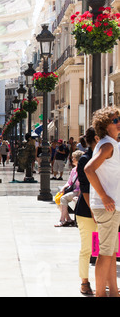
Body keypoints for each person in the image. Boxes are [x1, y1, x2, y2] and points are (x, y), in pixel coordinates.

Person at [84, 106, 120, 297]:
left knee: (111, 253)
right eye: (115, 120)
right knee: (105, 254)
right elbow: (89, 169)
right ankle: (100, 294)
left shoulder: (110, 143)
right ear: (106, 126)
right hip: (108, 207)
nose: (119, 122)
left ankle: (113, 292)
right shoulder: (107, 145)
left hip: (112, 207)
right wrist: (104, 196)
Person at [74, 127, 98, 296]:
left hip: (106, 209)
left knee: (106, 250)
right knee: (87, 249)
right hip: (87, 211)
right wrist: (94, 211)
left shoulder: (108, 157)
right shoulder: (85, 159)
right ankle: (84, 282)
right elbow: (85, 188)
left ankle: (104, 281)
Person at [54, 150, 83, 227]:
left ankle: (62, 220)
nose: (72, 159)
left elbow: (82, 184)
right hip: (73, 191)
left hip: (78, 192)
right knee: (58, 198)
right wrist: (63, 188)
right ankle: (69, 219)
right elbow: (69, 182)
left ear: (78, 159)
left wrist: (79, 195)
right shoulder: (73, 170)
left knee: (63, 198)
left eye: (73, 158)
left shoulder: (82, 170)